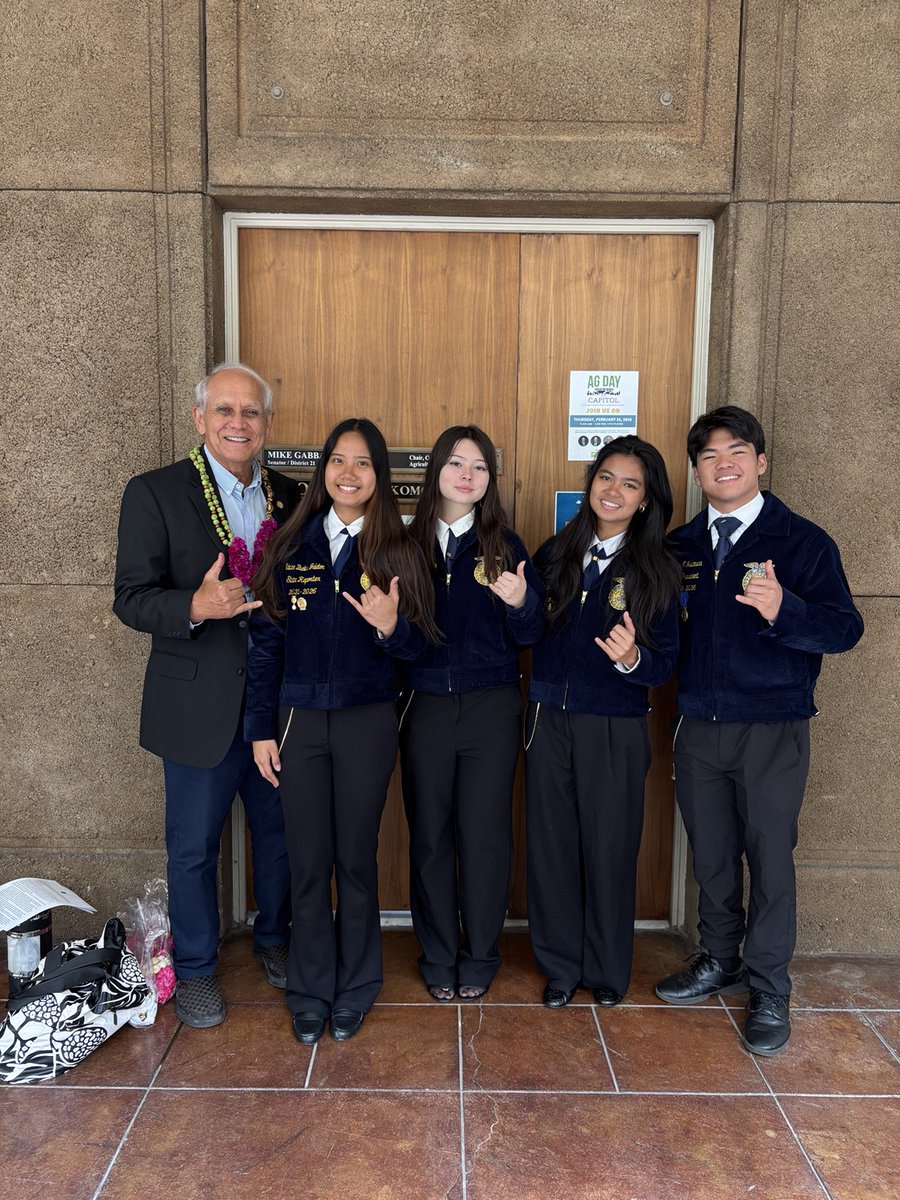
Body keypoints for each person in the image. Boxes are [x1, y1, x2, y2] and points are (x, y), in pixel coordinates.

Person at [654, 405, 863, 1057]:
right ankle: (720, 959)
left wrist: (785, 610)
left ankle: (770, 985)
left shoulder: (802, 543)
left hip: (773, 728)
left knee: (769, 856)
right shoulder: (680, 548)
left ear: (761, 461)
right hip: (699, 728)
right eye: (710, 456)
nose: (724, 464)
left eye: (737, 451)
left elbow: (845, 629)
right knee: (712, 854)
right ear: (696, 471)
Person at [113, 363, 298, 1028]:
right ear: (200, 418)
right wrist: (194, 603)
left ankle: (277, 942)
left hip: (276, 708)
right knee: (192, 848)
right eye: (224, 410)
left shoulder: (292, 495)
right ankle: (194, 971)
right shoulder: (156, 493)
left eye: (251, 412)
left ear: (266, 423)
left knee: (280, 838)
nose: (238, 423)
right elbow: (130, 598)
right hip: (196, 708)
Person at [246, 418, 438, 1046]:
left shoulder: (400, 551)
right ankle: (309, 991)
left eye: (362, 464)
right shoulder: (290, 544)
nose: (348, 474)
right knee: (308, 862)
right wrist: (260, 730)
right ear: (323, 470)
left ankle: (355, 988)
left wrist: (390, 628)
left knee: (354, 860)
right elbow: (266, 646)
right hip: (297, 723)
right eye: (338, 461)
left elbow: (423, 649)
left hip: (366, 722)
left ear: (379, 478)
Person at [526, 435, 681, 1009]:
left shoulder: (656, 569)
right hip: (547, 718)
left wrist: (632, 660)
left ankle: (608, 970)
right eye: (606, 477)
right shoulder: (556, 553)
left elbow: (665, 662)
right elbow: (529, 631)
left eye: (630, 483)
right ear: (591, 484)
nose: (614, 490)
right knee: (552, 847)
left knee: (610, 848)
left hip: (614, 725)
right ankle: (561, 968)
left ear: (645, 500)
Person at [401, 426, 544, 1002]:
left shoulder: (506, 546)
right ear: (436, 469)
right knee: (430, 835)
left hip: (491, 708)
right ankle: (437, 953)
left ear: (490, 479)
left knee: (484, 835)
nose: (467, 475)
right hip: (425, 706)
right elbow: (390, 637)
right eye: (457, 463)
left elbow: (531, 633)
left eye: (480, 467)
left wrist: (521, 603)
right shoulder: (404, 544)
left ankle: (481, 952)